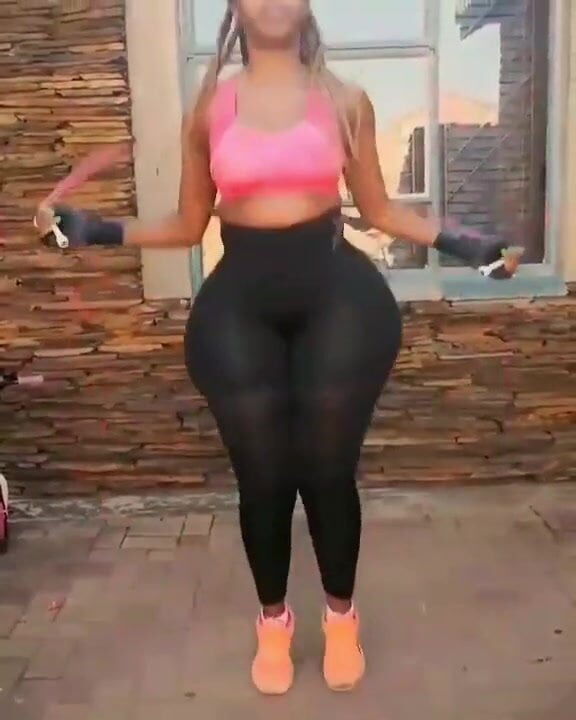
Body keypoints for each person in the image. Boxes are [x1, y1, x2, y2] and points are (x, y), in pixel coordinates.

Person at [34, 0, 521, 696]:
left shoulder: (345, 102)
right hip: (241, 303)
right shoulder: (209, 108)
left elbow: (381, 211)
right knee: (263, 479)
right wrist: (92, 229)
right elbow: (187, 224)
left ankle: (342, 619)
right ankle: (273, 623)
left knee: (326, 472)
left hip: (337, 299)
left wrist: (472, 246)